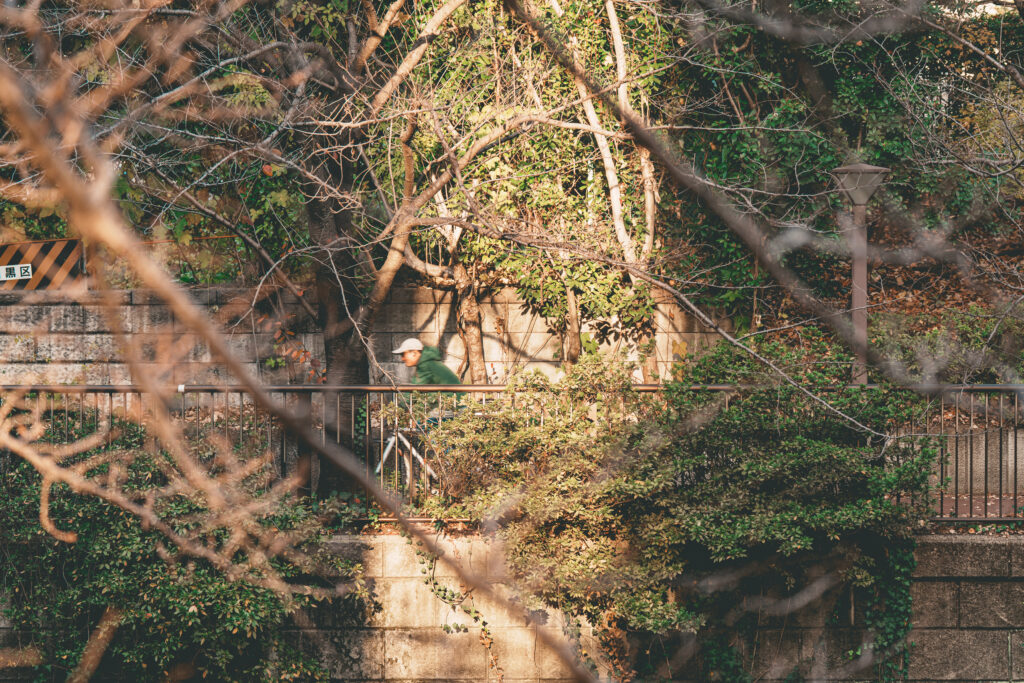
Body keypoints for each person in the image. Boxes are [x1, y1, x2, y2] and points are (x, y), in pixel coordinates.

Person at [392, 338, 461, 385]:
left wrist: (400, 406)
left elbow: (415, 390)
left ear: (414, 353)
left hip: (455, 404)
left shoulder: (425, 365)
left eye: (403, 354)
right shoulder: (427, 363)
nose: (402, 359)